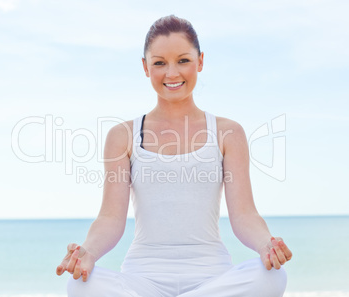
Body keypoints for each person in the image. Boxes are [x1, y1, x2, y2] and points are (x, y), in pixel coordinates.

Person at [56, 15, 292, 297]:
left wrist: (266, 244)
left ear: (200, 62)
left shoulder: (229, 133)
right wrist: (89, 251)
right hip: (143, 280)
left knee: (272, 278)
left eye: (183, 60)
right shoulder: (123, 136)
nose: (172, 73)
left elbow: (244, 214)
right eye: (159, 63)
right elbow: (110, 218)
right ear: (145, 67)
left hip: (211, 278)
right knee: (80, 284)